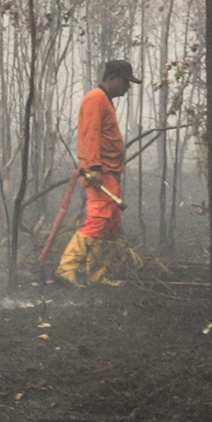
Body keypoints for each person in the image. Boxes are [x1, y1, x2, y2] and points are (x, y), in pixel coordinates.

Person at [60, 59, 138, 284]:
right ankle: (67, 269)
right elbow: (89, 134)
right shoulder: (95, 99)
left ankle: (97, 275)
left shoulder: (105, 100)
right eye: (125, 82)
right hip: (100, 172)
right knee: (99, 220)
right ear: (113, 79)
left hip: (109, 172)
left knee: (111, 224)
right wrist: (93, 168)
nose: (128, 87)